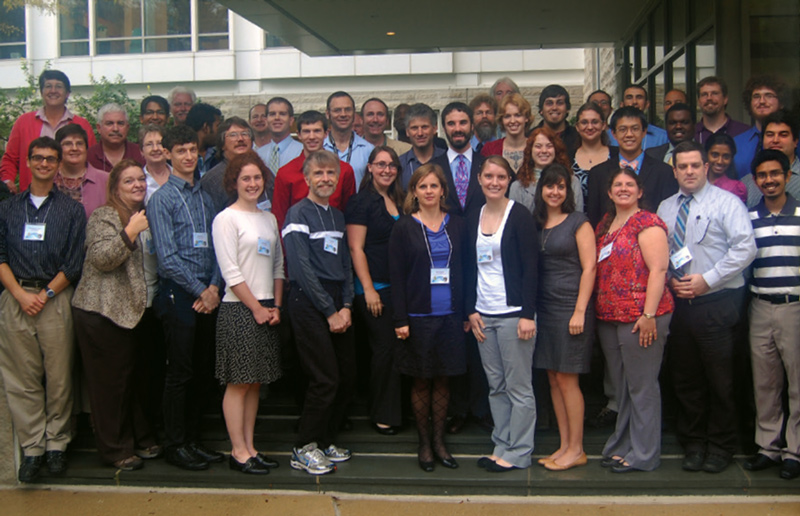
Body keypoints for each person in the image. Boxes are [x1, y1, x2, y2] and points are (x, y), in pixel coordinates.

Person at [657, 141, 756, 474]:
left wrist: (708, 279)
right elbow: (660, 253)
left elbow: (745, 249)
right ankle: (694, 442)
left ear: (705, 167)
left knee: (720, 378)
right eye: (682, 167)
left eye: (694, 166)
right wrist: (670, 279)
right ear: (675, 170)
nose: (688, 171)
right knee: (686, 377)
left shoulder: (726, 203)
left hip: (717, 301)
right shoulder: (665, 207)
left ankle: (721, 445)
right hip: (680, 304)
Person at [0, 137, 86, 482]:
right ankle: (33, 448)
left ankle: (56, 445)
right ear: (28, 162)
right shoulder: (7, 208)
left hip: (55, 299)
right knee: (22, 379)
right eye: (39, 158)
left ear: (58, 165)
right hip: (16, 296)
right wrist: (21, 295)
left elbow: (74, 261)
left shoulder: (71, 209)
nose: (45, 164)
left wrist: (47, 293)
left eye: (52, 159)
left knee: (60, 377)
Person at [71, 159, 159, 472]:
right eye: (129, 181)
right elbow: (100, 258)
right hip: (101, 312)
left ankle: (138, 437)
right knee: (109, 386)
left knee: (130, 379)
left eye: (140, 180)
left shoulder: (146, 215)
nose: (137, 185)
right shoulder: (104, 215)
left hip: (133, 312)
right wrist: (129, 233)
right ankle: (114, 450)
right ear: (115, 188)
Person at [148, 125, 224, 471]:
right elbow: (167, 258)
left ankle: (193, 439)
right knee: (179, 372)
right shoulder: (161, 199)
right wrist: (201, 291)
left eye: (192, 149)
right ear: (168, 154)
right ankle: (175, 443)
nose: (188, 156)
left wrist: (214, 288)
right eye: (180, 151)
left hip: (208, 295)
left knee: (203, 371)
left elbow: (217, 248)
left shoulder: (206, 197)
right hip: (180, 295)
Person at [389, 163, 468, 471]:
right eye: (423, 186)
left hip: (450, 315)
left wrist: (465, 311)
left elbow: (466, 271)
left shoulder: (457, 225)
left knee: (444, 380)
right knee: (422, 382)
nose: (429, 191)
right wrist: (400, 319)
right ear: (414, 192)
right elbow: (396, 277)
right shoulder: (404, 227)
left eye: (434, 186)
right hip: (418, 316)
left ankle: (439, 443)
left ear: (443, 191)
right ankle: (423, 445)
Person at [595, 167, 674, 472]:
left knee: (642, 387)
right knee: (623, 387)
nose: (624, 189)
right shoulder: (606, 224)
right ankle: (623, 443)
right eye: (618, 184)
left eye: (630, 185)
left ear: (640, 191)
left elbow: (659, 270)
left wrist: (649, 315)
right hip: (609, 317)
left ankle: (644, 454)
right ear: (609, 191)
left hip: (641, 319)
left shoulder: (648, 222)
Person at [283, 150, 356, 476]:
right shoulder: (297, 213)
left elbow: (345, 264)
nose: (326, 179)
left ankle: (326, 440)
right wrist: (329, 310)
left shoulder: (338, 216)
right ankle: (304, 446)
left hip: (338, 302)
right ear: (307, 178)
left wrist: (347, 306)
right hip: (309, 302)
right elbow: (301, 269)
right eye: (319, 174)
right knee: (324, 377)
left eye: (331, 173)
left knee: (345, 375)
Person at [211, 151, 285, 475]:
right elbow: (230, 272)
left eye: (257, 178)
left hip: (268, 309)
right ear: (234, 182)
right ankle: (237, 451)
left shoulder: (268, 219)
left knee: (255, 383)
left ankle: (251, 447)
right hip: (239, 310)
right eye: (246, 179)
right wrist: (256, 308)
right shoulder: (226, 219)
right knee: (238, 383)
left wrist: (275, 306)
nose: (252, 184)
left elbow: (279, 266)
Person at [465, 157, 538, 472]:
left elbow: (532, 268)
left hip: (513, 315)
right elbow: (468, 268)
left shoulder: (519, 215)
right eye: (489, 176)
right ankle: (502, 445)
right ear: (479, 178)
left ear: (509, 180)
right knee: (496, 385)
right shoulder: (473, 216)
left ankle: (519, 452)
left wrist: (527, 313)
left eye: (501, 176)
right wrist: (470, 310)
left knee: (518, 386)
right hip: (484, 315)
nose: (494, 182)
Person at [429, 102, 491, 433]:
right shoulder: (434, 167)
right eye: (451, 123)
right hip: (446, 262)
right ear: (444, 128)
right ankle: (456, 409)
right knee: (452, 337)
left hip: (485, 263)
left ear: (472, 126)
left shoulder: (488, 166)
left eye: (463, 122)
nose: (457, 128)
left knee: (481, 336)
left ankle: (482, 407)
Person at [531, 164, 596, 471]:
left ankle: (577, 448)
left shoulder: (578, 222)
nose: (555, 192)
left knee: (568, 381)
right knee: (553, 379)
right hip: (543, 309)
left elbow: (590, 268)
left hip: (571, 308)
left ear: (568, 191)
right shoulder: (537, 223)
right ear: (541, 190)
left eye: (561, 187)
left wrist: (580, 310)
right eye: (549, 186)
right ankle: (565, 444)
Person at [743, 149, 800, 481]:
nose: (769, 180)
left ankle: (794, 451)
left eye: (775, 174)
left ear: (788, 176)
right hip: (760, 306)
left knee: (797, 383)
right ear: (755, 181)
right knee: (765, 382)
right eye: (762, 175)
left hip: (794, 306)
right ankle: (768, 447)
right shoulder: (749, 218)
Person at [345, 146, 405, 435]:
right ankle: (382, 414)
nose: (386, 170)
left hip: (398, 288)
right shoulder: (361, 202)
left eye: (392, 165)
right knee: (384, 349)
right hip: (374, 289)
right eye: (380, 164)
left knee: (396, 349)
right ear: (369, 168)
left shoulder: (398, 199)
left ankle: (396, 410)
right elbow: (356, 248)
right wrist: (368, 290)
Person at [1, 70, 96, 194]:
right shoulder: (23, 122)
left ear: (67, 93)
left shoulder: (82, 125)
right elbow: (10, 158)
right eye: (48, 86)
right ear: (41, 92)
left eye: (59, 86)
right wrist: (7, 180)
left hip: (72, 196)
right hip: (32, 196)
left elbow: (91, 161)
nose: (53, 91)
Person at [587, 106, 678, 227]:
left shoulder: (663, 172)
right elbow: (594, 220)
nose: (629, 134)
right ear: (613, 133)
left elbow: (670, 217)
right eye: (623, 129)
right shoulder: (598, 174)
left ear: (644, 132)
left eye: (635, 129)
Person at [272, 110, 357, 230]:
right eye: (306, 131)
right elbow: (280, 219)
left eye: (317, 131)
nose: (312, 137)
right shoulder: (285, 173)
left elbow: (350, 214)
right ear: (299, 135)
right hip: (298, 242)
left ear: (326, 133)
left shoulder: (344, 170)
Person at [734, 75, 797, 178]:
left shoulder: (793, 140)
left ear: (781, 102)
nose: (762, 101)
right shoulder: (736, 143)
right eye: (756, 96)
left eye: (769, 95)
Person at [510, 126, 583, 213]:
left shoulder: (572, 182)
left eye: (549, 146)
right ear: (530, 151)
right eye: (538, 146)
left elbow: (578, 219)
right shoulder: (518, 187)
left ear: (556, 150)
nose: (544, 151)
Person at [54, 123, 108, 219]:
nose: (74, 148)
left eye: (79, 143)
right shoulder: (50, 180)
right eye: (67, 144)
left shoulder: (106, 180)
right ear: (58, 149)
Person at [324, 91, 374, 188]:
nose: (343, 114)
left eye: (348, 109)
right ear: (327, 114)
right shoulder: (320, 148)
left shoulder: (368, 149)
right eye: (337, 110)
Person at [480, 93, 532, 173]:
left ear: (526, 118)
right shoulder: (490, 149)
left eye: (517, 115)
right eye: (507, 116)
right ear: (501, 120)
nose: (513, 121)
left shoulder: (536, 147)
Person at [607, 85, 668, 150]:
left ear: (647, 104)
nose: (634, 102)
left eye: (639, 97)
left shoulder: (662, 136)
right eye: (629, 97)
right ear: (622, 104)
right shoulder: (608, 136)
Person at [87, 103, 145, 172]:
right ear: (99, 128)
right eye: (109, 123)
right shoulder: (88, 156)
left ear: (127, 127)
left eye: (120, 123)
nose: (115, 129)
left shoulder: (141, 154)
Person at [571, 102, 611, 201]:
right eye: (584, 122)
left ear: (603, 125)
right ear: (577, 127)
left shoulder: (616, 156)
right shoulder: (567, 157)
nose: (589, 127)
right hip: (576, 215)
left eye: (595, 122)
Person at [398, 103, 446, 185]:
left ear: (435, 128)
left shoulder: (447, 159)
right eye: (414, 128)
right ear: (407, 131)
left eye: (424, 127)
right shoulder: (400, 164)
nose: (420, 133)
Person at [694, 76, 750, 144]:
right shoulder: (692, 133)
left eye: (714, 93)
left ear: (725, 99)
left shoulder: (743, 132)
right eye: (704, 94)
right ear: (698, 101)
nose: (709, 98)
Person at [256, 97, 304, 172]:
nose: (277, 118)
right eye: (272, 114)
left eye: (282, 114)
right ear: (266, 120)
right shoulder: (258, 155)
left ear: (291, 121)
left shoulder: (302, 152)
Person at [704, 133, 747, 203]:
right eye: (715, 155)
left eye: (726, 157)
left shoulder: (736, 188)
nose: (720, 161)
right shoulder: (697, 182)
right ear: (706, 154)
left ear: (732, 158)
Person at [535, 84, 579, 153]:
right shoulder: (531, 137)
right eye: (549, 103)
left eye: (560, 103)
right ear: (541, 110)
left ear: (567, 108)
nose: (554, 108)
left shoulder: (578, 138)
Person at [185, 103, 223, 176]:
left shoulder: (219, 154)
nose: (220, 131)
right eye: (218, 126)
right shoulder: (181, 155)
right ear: (206, 127)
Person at [139, 124, 171, 201]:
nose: (155, 149)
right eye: (149, 144)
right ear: (141, 151)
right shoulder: (138, 181)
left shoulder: (178, 175)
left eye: (159, 143)